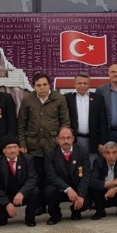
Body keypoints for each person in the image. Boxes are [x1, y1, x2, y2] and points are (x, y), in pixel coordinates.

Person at [18, 72, 71, 209]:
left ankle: (53, 206)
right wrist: (22, 144)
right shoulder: (28, 99)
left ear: (49, 85)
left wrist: (63, 141)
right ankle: (40, 205)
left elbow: (65, 122)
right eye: (38, 85)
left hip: (53, 145)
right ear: (33, 86)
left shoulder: (59, 99)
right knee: (37, 177)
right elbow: (21, 124)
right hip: (34, 145)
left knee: (52, 176)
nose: (42, 88)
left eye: (44, 85)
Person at [0, 136, 40, 227]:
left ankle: (30, 219)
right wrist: (7, 203)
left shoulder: (27, 159)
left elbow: (32, 178)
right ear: (3, 150)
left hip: (21, 195)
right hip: (6, 195)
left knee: (35, 191)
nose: (12, 150)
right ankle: (3, 217)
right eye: (9, 148)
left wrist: (22, 192)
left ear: (19, 148)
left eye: (15, 147)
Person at [43, 126, 91, 225]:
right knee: (49, 191)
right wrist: (68, 189)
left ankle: (75, 211)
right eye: (63, 138)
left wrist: (81, 195)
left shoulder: (82, 152)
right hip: (60, 189)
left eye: (68, 138)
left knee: (86, 198)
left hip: (77, 187)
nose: (66, 141)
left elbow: (86, 175)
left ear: (73, 139)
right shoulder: (50, 153)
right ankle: (55, 215)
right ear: (57, 139)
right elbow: (51, 175)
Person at [64, 72, 109, 168]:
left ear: (89, 84)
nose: (82, 86)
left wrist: (102, 142)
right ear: (74, 84)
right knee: (74, 165)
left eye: (85, 83)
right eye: (79, 83)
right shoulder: (67, 98)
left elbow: (103, 121)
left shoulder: (98, 98)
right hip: (74, 139)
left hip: (93, 139)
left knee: (92, 165)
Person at [88, 141, 117, 220]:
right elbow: (92, 181)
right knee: (95, 188)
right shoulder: (98, 162)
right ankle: (100, 211)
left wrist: (115, 189)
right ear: (103, 154)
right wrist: (114, 182)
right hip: (103, 191)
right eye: (108, 153)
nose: (111, 156)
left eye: (114, 152)